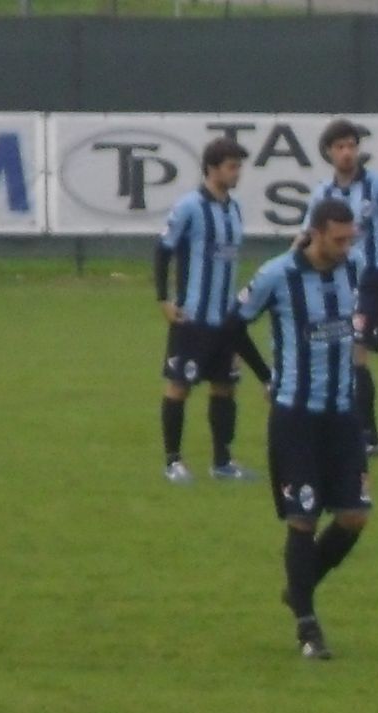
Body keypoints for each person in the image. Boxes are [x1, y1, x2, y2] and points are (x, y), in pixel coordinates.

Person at [235, 198, 370, 659]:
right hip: (296, 419)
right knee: (303, 518)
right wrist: (266, 377)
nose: (346, 247)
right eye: (338, 239)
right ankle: (308, 629)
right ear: (315, 233)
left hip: (342, 416)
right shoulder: (277, 274)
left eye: (350, 238)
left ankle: (299, 586)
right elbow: (234, 324)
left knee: (354, 517)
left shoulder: (354, 268)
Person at [299, 118, 378, 456]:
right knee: (338, 353)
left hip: (372, 279)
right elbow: (306, 237)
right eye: (340, 147)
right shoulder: (322, 194)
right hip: (336, 281)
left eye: (352, 146)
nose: (347, 153)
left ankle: (367, 435)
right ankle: (347, 429)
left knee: (356, 350)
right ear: (328, 152)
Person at [155, 137, 267, 484]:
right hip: (192, 318)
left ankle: (222, 462)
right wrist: (164, 299)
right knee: (179, 386)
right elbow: (163, 250)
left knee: (225, 387)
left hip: (225, 319)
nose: (237, 173)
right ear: (212, 168)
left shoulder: (234, 209)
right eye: (232, 167)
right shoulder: (189, 207)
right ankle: (173, 461)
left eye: (239, 166)